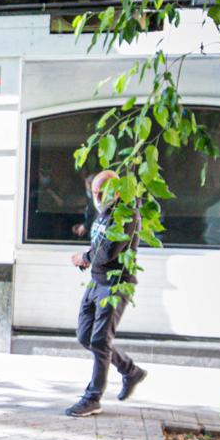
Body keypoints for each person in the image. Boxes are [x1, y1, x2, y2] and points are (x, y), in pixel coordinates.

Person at [65, 169, 146, 417]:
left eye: (102, 192)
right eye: (94, 193)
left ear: (117, 191)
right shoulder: (103, 214)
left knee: (100, 341)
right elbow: (98, 243)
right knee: (85, 336)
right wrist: (86, 259)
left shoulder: (125, 215)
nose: (97, 197)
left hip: (115, 285)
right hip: (96, 282)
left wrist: (84, 257)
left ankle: (93, 397)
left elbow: (108, 251)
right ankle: (130, 371)